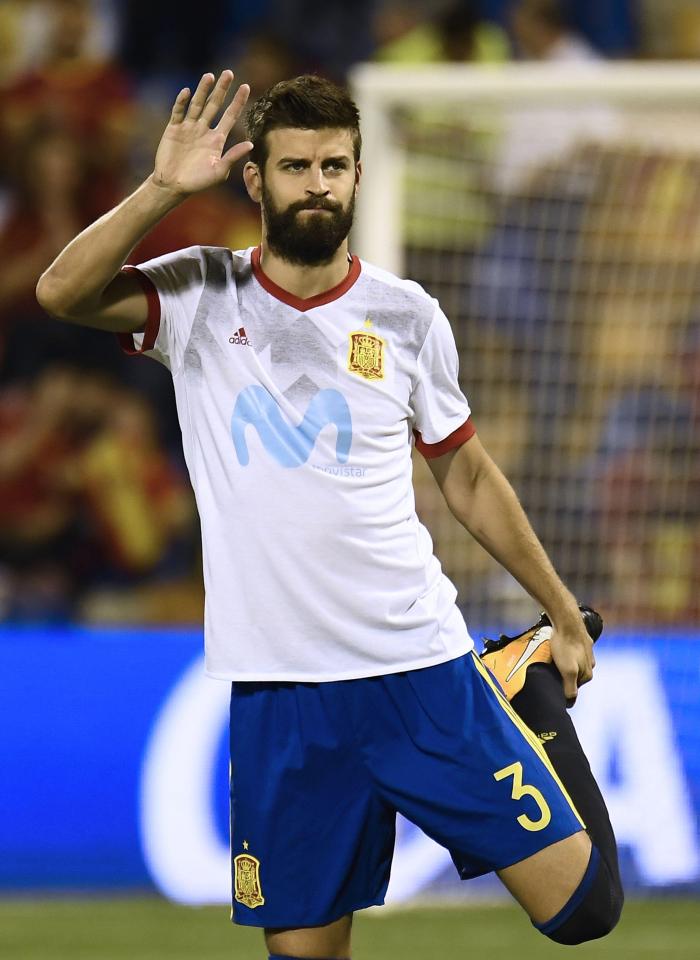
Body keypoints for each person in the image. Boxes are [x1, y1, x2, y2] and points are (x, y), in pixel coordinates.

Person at [37, 70, 623, 957]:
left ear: (357, 174)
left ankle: (520, 677)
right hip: (282, 693)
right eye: (297, 166)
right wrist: (161, 189)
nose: (318, 184)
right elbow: (60, 293)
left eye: (336, 166)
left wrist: (559, 601)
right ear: (255, 179)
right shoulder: (199, 297)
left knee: (585, 911)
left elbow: (464, 472)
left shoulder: (406, 316)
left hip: (416, 669)